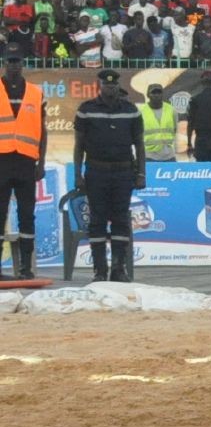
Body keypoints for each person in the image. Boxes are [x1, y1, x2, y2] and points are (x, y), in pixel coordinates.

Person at [72, 68, 144, 283]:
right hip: (96, 171)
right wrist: (78, 174)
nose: (110, 87)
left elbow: (139, 145)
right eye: (106, 84)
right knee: (97, 220)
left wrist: (141, 173)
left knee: (121, 219)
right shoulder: (86, 110)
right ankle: (100, 270)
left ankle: (118, 269)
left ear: (117, 86)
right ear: (99, 85)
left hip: (123, 172)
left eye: (113, 85)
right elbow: (79, 146)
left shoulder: (131, 111)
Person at [0, 50, 47, 279]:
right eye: (10, 61)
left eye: (17, 61)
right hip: (1, 160)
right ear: (4, 63)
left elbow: (43, 130)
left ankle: (26, 268)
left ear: (23, 64)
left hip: (27, 161)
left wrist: (42, 162)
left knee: (27, 215)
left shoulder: (36, 92)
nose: (13, 65)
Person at [185, 70, 211, 161]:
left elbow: (190, 123)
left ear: (202, 83)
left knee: (202, 170)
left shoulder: (195, 100)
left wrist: (189, 143)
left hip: (202, 140)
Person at [137, 82, 178, 163]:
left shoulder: (171, 109)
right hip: (149, 155)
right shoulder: (140, 110)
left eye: (159, 92)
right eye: (153, 92)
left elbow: (175, 129)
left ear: (162, 94)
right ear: (148, 95)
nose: (156, 95)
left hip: (169, 155)